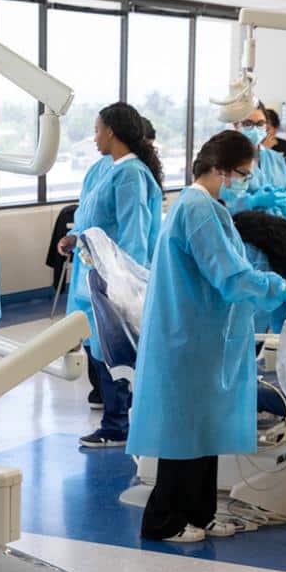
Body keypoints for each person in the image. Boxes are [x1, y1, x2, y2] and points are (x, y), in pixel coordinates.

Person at [127, 131, 286, 544]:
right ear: (219, 169)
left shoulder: (207, 207)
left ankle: (200, 513)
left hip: (204, 336)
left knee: (204, 430)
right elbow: (230, 275)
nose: (246, 183)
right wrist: (280, 289)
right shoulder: (197, 208)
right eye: (243, 174)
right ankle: (163, 522)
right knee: (184, 435)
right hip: (187, 337)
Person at [57, 102, 164, 448]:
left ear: (112, 131)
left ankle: (117, 424)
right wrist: (75, 239)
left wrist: (121, 283)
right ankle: (115, 419)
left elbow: (134, 236)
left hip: (116, 279)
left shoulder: (131, 175)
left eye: (97, 130)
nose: (94, 137)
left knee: (114, 350)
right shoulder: (107, 170)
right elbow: (94, 222)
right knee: (99, 349)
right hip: (95, 274)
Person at [226, 103, 286, 222]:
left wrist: (281, 200)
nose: (255, 129)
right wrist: (252, 201)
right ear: (236, 125)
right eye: (247, 124)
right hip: (244, 231)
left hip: (280, 229)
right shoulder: (227, 160)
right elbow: (223, 205)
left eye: (260, 124)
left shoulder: (276, 159)